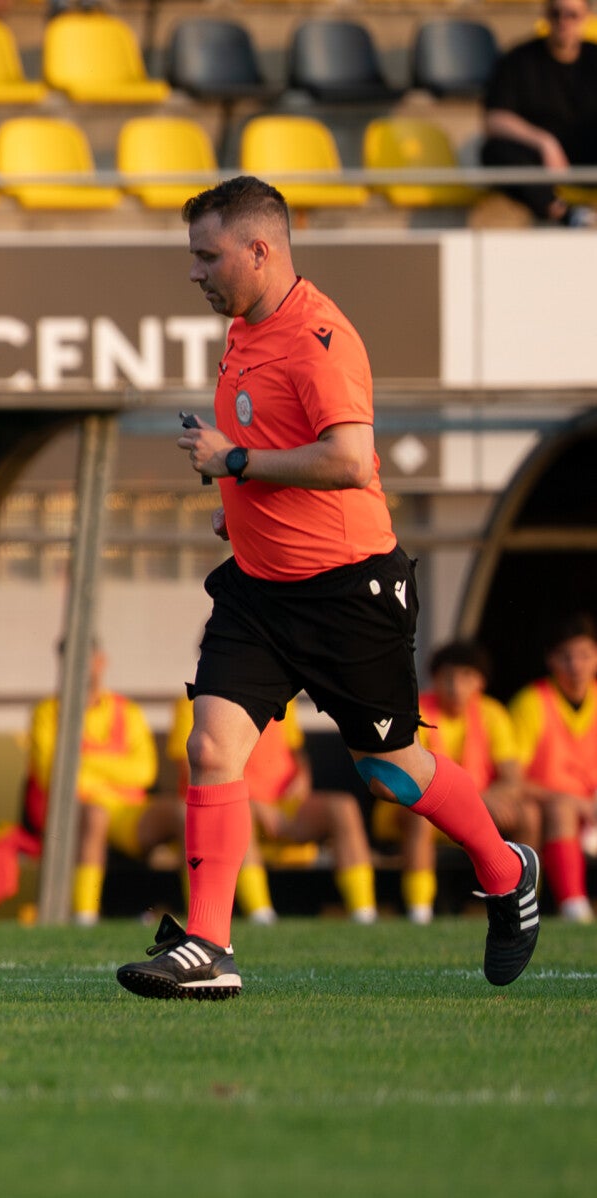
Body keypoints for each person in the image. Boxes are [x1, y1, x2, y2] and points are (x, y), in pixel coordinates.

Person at [119, 177, 540, 999]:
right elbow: (276, 447)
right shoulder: (243, 330)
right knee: (209, 747)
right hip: (258, 591)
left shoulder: (320, 338)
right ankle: (208, 945)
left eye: (206, 255)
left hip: (348, 593)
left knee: (387, 770)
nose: (194, 272)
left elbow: (349, 461)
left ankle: (503, 868)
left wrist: (234, 461)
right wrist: (240, 508)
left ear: (258, 250)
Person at [166, 694, 378, 925]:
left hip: (282, 804)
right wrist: (251, 800)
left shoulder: (282, 698)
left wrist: (302, 777)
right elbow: (195, 769)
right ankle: (260, 914)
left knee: (343, 807)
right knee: (240, 811)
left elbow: (295, 750)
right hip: (233, 802)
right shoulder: (195, 703)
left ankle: (364, 914)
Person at [24, 643, 180, 927]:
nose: (81, 667)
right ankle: (85, 916)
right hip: (72, 811)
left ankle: (209, 918)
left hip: (127, 812)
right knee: (95, 815)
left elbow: (144, 772)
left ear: (101, 661)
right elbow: (53, 774)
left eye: (87, 658)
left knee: (184, 814)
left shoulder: (127, 711)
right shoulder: (48, 712)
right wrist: (114, 767)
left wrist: (83, 762)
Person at [394, 641, 536, 924]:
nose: (456, 687)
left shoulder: (492, 713)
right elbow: (409, 779)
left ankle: (523, 902)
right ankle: (419, 910)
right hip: (420, 809)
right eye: (448, 678)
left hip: (476, 810)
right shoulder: (415, 710)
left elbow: (513, 778)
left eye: (466, 677)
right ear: (434, 679)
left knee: (530, 815)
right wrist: (479, 801)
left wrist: (481, 800)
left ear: (480, 682)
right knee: (419, 818)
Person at [508, 614, 597, 921]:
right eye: (566, 656)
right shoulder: (531, 703)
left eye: (585, 655)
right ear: (551, 659)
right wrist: (571, 801)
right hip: (551, 808)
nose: (576, 666)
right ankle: (573, 905)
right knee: (562, 809)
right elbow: (513, 780)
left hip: (592, 809)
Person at [483, 0, 597, 227]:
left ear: (586, 17)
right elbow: (494, 119)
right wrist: (545, 142)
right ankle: (564, 213)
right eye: (556, 13)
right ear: (546, 15)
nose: (563, 21)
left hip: (587, 151)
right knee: (496, 151)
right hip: (536, 158)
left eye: (572, 15)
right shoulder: (519, 59)